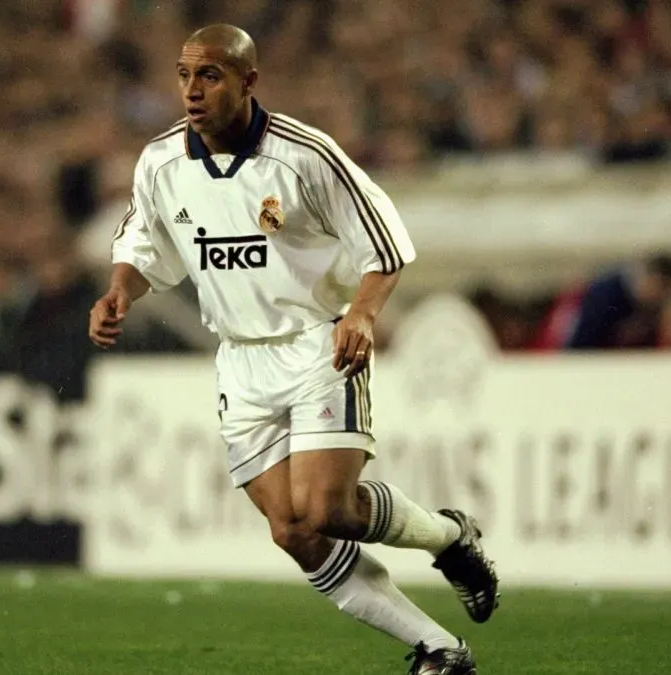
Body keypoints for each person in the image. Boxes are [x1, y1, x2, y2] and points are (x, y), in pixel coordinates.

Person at [88, 24, 497, 675]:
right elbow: (144, 247)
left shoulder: (305, 156)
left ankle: (449, 538)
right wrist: (118, 291)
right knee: (291, 530)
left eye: (210, 75)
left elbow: (385, 243)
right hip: (239, 359)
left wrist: (362, 314)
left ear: (249, 81)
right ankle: (440, 648)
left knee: (328, 508)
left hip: (316, 343)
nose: (192, 90)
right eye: (184, 75)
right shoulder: (160, 163)